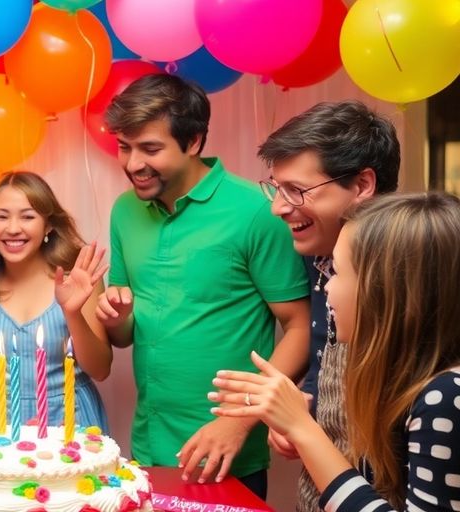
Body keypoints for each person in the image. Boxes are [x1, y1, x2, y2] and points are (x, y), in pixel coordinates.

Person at [96, 73, 311, 498]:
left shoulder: (256, 210)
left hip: (226, 449)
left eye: (150, 149)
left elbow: (301, 328)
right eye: (125, 147)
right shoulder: (124, 210)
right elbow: (121, 337)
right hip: (148, 445)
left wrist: (238, 423)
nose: (133, 163)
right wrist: (116, 317)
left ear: (193, 141)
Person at [210, 192, 460, 512]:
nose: (327, 287)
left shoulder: (446, 395)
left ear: (385, 292)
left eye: (338, 273)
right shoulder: (384, 372)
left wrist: (302, 428)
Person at [256, 101, 400, 511]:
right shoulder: (315, 254)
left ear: (361, 185)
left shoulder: (411, 278)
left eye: (296, 190)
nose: (278, 207)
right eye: (275, 187)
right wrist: (306, 409)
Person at [0, 171, 112, 430]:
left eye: (27, 216)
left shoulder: (78, 277)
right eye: (1, 216)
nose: (13, 228)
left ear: (48, 224)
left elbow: (100, 369)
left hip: (69, 422)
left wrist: (72, 313)